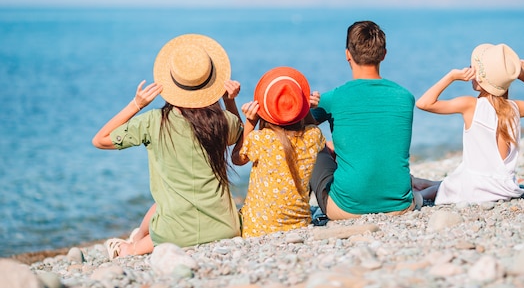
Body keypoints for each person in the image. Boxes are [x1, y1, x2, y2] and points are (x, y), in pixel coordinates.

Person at [92, 34, 244, 258]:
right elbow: (239, 136)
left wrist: (136, 104)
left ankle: (130, 246)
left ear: (173, 82)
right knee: (165, 205)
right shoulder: (222, 121)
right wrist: (230, 101)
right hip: (225, 228)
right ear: (209, 83)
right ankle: (135, 238)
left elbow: (100, 139)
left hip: (175, 234)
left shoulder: (153, 121)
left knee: (150, 222)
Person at [412, 43, 524, 204]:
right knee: (455, 179)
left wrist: (451, 77)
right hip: (505, 188)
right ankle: (423, 183)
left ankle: (419, 190)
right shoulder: (515, 108)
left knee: (443, 187)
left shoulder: (470, 105)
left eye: (472, 68)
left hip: (474, 189)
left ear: (482, 78)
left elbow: (423, 103)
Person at [309, 20, 418, 221]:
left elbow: (297, 127)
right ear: (384, 54)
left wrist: (307, 107)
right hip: (400, 206)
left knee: (314, 147)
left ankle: (293, 210)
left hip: (346, 208)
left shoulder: (334, 98)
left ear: (347, 55)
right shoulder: (405, 97)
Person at [232, 67, 326, 237]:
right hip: (299, 224)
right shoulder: (313, 135)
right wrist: (305, 110)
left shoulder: (262, 139)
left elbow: (237, 158)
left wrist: (250, 123)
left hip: (258, 228)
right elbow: (310, 127)